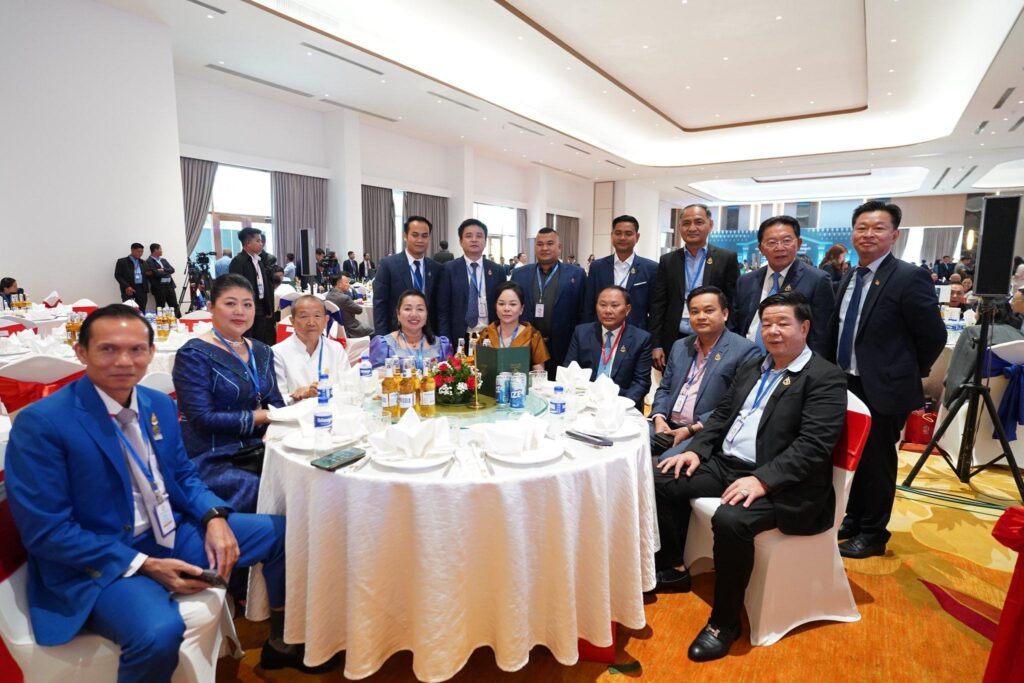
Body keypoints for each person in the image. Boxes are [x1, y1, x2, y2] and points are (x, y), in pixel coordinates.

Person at [4, 304, 336, 680]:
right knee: (158, 632)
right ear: (81, 352)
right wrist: (144, 564)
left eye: (136, 349)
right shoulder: (43, 423)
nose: (124, 361)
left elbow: (183, 475)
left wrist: (213, 517)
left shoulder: (157, 403)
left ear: (151, 353)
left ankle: (281, 643)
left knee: (283, 533)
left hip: (169, 532)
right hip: (103, 558)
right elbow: (47, 531)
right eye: (108, 349)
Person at [653, 291, 847, 662]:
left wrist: (763, 480)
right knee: (661, 478)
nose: (773, 331)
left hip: (785, 484)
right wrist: (695, 450)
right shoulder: (755, 365)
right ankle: (674, 567)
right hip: (729, 464)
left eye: (783, 323)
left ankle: (724, 623)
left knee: (731, 520)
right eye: (767, 324)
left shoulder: (824, 378)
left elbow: (813, 446)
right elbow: (722, 415)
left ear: (804, 327)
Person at [825, 201, 946, 559]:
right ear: (852, 234)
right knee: (851, 455)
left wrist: (905, 371)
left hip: (883, 388)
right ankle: (855, 517)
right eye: (861, 228)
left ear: (894, 235)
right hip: (846, 382)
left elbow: (933, 336)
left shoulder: (909, 277)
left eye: (878, 228)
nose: (868, 234)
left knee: (877, 462)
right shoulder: (850, 275)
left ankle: (874, 533)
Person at [172, 274, 285, 514]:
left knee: (305, 475)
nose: (240, 312)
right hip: (213, 455)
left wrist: (274, 428)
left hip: (260, 447)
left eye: (247, 304)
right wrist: (262, 417)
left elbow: (275, 402)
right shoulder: (193, 354)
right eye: (230, 303)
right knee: (261, 487)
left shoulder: (262, 350)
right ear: (211, 307)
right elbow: (202, 418)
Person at [649, 286, 759, 461]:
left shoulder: (745, 350)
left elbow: (736, 403)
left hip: (703, 431)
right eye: (694, 312)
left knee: (663, 463)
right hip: (666, 424)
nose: (701, 316)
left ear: (725, 314)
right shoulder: (680, 346)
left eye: (708, 311)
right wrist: (659, 418)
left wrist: (691, 429)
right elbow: (665, 388)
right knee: (626, 444)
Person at [649, 204, 740, 372]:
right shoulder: (668, 260)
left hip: (713, 336)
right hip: (675, 337)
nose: (692, 228)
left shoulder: (726, 258)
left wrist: (729, 339)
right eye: (686, 223)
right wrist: (657, 344)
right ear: (680, 227)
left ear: (710, 225)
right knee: (675, 382)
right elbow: (658, 304)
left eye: (698, 222)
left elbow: (733, 302)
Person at [731, 216, 834, 355]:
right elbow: (735, 326)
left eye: (787, 241)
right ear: (761, 248)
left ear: (798, 243)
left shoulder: (817, 280)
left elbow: (821, 336)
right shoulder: (746, 281)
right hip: (746, 358)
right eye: (771, 242)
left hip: (792, 361)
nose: (779, 248)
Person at [510, 227, 587, 375]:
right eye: (540, 244)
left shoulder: (576, 274)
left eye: (550, 243)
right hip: (526, 345)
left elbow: (583, 311)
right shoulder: (520, 274)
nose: (544, 248)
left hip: (564, 346)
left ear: (559, 247)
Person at [564, 285, 652, 409]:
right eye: (603, 305)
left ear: (627, 309)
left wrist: (619, 405)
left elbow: (641, 383)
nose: (608, 311)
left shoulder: (641, 339)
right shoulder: (582, 333)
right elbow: (569, 370)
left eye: (615, 305)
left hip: (621, 405)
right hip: (585, 402)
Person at [583, 215, 659, 330]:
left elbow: (655, 310)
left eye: (628, 234)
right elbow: (588, 306)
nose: (622, 238)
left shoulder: (651, 268)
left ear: (637, 237)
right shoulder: (597, 267)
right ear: (612, 235)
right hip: (601, 332)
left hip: (637, 333)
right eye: (618, 233)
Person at [437, 219, 505, 346]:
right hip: (459, 338)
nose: (474, 240)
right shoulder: (449, 269)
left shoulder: (497, 270)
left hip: (490, 336)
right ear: (460, 241)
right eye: (468, 236)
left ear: (485, 241)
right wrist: (445, 341)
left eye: (479, 236)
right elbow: (443, 310)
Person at [943, 302, 1024, 407]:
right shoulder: (1020, 335)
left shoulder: (972, 333)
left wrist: (946, 402)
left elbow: (954, 379)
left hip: (973, 400)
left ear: (982, 312)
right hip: (1012, 401)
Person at [373, 215, 442, 336]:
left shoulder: (436, 268)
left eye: (424, 236)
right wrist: (382, 338)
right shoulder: (388, 265)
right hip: (396, 333)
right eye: (415, 235)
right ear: (405, 236)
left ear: (429, 238)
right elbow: (380, 303)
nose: (420, 240)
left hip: (429, 334)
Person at [273, 295, 348, 404]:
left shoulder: (335, 348)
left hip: (333, 410)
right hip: (295, 413)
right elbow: (276, 399)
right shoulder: (278, 352)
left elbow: (348, 386)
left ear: (326, 320)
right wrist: (300, 395)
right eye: (304, 316)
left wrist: (323, 390)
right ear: (292, 321)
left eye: (317, 316)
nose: (311, 322)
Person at [369, 289, 451, 369]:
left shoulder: (441, 345)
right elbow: (375, 376)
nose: (414, 314)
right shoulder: (384, 345)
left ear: (426, 314)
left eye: (420, 309)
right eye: (408, 309)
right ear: (398, 314)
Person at [479, 282, 550, 372]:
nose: (506, 309)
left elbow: (539, 373)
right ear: (495, 308)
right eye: (501, 304)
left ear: (521, 309)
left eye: (512, 304)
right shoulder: (486, 334)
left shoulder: (533, 335)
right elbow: (478, 368)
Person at [228, 227, 276, 346]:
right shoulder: (238, 261)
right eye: (258, 241)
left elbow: (265, 285)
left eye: (261, 241)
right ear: (248, 243)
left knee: (260, 339)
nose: (261, 244)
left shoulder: (258, 261)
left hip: (260, 307)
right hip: (246, 308)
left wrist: (268, 308)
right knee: (247, 339)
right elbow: (235, 288)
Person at [325, 274, 373, 338]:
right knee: (373, 331)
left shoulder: (328, 296)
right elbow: (359, 310)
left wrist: (352, 302)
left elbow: (343, 304)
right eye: (346, 282)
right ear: (339, 284)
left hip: (334, 329)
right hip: (350, 329)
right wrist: (353, 302)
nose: (349, 285)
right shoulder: (344, 298)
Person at [146, 243, 180, 318]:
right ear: (155, 250)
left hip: (170, 286)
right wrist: (164, 271)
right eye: (160, 249)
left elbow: (172, 270)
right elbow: (155, 273)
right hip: (159, 288)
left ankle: (179, 320)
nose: (162, 251)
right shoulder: (148, 261)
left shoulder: (163, 260)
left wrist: (163, 269)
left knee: (174, 305)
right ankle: (160, 322)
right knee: (160, 307)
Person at [115, 242, 150, 310]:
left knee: (142, 309)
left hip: (141, 288)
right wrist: (127, 286)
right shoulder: (122, 261)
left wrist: (149, 274)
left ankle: (141, 317)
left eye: (142, 252)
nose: (140, 253)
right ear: (132, 250)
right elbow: (118, 275)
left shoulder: (143, 262)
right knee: (128, 309)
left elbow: (147, 274)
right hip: (128, 288)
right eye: (138, 251)